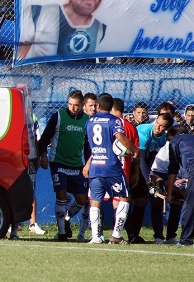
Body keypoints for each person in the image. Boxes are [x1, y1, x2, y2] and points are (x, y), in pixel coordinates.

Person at [82, 93, 139, 244]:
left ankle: (96, 237)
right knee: (125, 197)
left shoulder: (90, 121)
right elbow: (120, 137)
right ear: (111, 106)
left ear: (98, 106)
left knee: (95, 201)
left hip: (95, 166)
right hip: (111, 166)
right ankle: (116, 235)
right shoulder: (115, 120)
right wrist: (134, 149)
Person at [37, 90, 90, 242]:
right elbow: (45, 137)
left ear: (82, 105)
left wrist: (87, 164)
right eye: (70, 104)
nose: (73, 108)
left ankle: (66, 219)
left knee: (81, 199)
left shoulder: (87, 120)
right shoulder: (58, 116)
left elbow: (88, 145)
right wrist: (44, 155)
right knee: (61, 195)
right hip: (58, 162)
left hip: (78, 165)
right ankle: (61, 232)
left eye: (76, 105)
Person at [130, 112, 174, 244]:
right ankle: (128, 234)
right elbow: (141, 160)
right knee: (128, 200)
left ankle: (135, 235)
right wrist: (149, 182)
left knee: (141, 201)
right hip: (133, 163)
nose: (157, 127)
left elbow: (154, 160)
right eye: (157, 123)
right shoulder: (143, 132)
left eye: (162, 126)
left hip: (145, 167)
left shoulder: (163, 138)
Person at [17, 0, 105, 59]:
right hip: (38, 77)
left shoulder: (100, 28)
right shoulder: (40, 12)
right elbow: (23, 50)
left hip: (78, 80)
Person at [147, 125, 188, 245]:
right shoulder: (168, 148)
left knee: (177, 204)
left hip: (177, 176)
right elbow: (166, 171)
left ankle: (171, 236)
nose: (170, 142)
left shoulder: (187, 148)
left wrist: (183, 180)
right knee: (156, 205)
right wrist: (166, 186)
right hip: (160, 174)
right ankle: (158, 236)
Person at [76, 91, 97, 241]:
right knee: (81, 198)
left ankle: (82, 233)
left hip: (96, 165)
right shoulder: (81, 122)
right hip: (79, 164)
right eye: (91, 105)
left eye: (95, 105)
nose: (94, 108)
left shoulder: (98, 121)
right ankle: (66, 217)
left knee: (89, 201)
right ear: (84, 106)